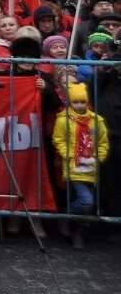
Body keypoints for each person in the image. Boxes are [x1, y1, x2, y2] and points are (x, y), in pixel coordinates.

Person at [53, 82, 111, 249]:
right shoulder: (63, 120)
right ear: (70, 102)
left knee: (89, 202)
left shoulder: (96, 120)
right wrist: (70, 156)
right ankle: (65, 217)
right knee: (86, 201)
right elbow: (59, 140)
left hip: (92, 166)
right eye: (75, 102)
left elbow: (103, 142)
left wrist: (97, 158)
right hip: (75, 166)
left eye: (82, 102)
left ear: (87, 102)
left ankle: (79, 230)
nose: (79, 105)